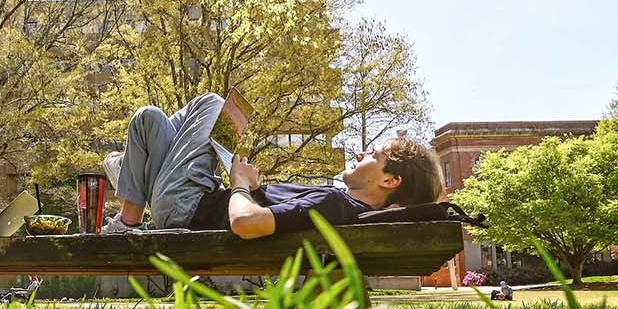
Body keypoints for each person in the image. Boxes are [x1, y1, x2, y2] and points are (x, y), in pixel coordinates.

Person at [100, 92, 443, 239]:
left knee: (211, 103)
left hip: (187, 206)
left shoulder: (332, 201)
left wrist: (239, 182)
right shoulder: (340, 206)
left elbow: (245, 223)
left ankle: (129, 215)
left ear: (390, 181)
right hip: (188, 200)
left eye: (373, 156)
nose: (360, 154)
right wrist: (254, 188)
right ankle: (135, 174)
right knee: (149, 120)